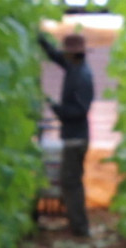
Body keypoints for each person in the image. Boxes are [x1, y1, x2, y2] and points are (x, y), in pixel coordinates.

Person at [39, 32, 94, 237]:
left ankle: (80, 228)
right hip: (75, 136)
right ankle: (77, 225)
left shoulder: (82, 77)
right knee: (71, 181)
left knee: (71, 182)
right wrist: (42, 41)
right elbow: (56, 57)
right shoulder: (75, 68)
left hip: (76, 138)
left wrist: (56, 108)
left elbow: (80, 110)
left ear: (72, 54)